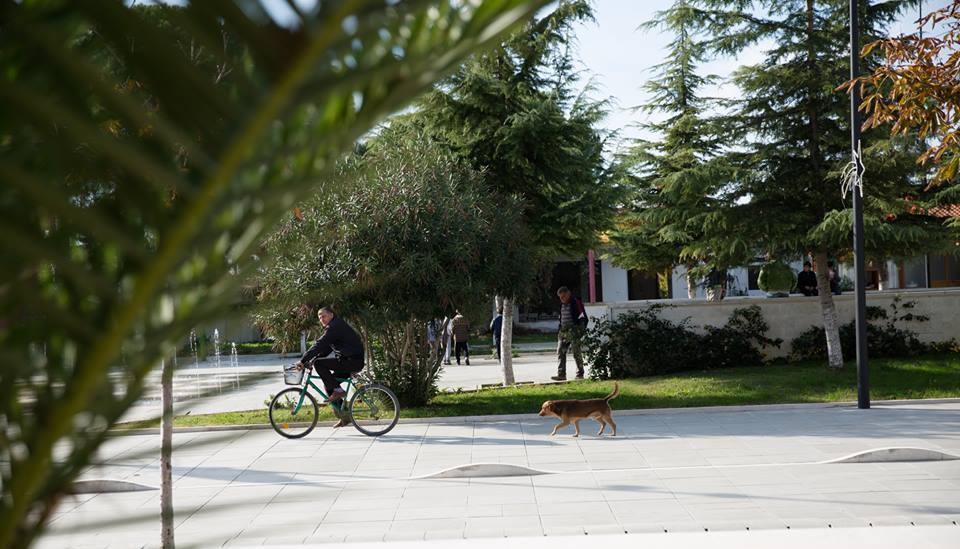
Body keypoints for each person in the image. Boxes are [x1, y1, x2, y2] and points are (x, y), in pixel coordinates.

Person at [297, 307, 364, 428]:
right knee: (329, 386)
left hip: (352, 361)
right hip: (350, 361)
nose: (321, 319)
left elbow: (319, 344)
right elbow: (326, 348)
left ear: (331, 315)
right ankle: (345, 417)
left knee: (319, 364)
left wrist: (303, 360)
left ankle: (339, 391)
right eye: (319, 318)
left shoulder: (335, 326)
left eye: (324, 316)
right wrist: (310, 360)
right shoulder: (334, 327)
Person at [552, 286, 587, 381]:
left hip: (574, 331)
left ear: (568, 294)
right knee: (560, 351)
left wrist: (580, 331)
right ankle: (561, 374)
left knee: (576, 352)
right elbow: (561, 318)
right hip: (563, 331)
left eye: (563, 296)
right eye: (560, 297)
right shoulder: (561, 305)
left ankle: (580, 374)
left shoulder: (576, 302)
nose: (562, 299)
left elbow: (583, 317)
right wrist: (560, 329)